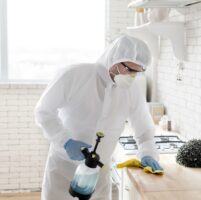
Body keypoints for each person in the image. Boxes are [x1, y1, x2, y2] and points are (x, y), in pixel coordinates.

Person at [34, 35, 163, 200]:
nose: (132, 77)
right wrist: (65, 141)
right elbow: (43, 111)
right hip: (63, 168)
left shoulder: (132, 90)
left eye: (137, 72)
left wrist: (148, 153)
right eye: (129, 70)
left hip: (98, 175)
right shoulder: (74, 75)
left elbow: (144, 129)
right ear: (114, 59)